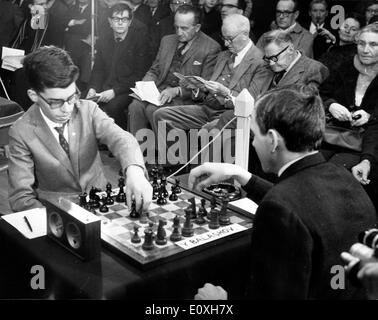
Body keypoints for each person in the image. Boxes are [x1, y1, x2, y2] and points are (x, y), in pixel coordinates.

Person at [190, 84, 377, 299]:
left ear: (273, 140)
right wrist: (243, 176)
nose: (252, 142)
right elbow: (303, 205)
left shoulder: (280, 207)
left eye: (254, 135)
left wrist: (221, 303)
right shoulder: (342, 176)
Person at [7, 46, 152, 213]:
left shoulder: (88, 110)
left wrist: (135, 170)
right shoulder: (21, 131)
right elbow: (21, 197)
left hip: (101, 203)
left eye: (71, 97)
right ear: (34, 96)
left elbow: (122, 139)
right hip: (57, 213)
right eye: (56, 102)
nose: (67, 108)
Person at [153, 14, 268, 166]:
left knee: (207, 131)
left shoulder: (260, 61)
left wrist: (225, 92)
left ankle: (193, 170)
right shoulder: (223, 56)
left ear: (245, 35)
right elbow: (207, 90)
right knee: (161, 115)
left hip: (229, 115)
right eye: (224, 38)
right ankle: (175, 166)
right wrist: (197, 86)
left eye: (230, 38)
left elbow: (251, 102)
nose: (226, 43)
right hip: (207, 108)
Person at [127, 4, 221, 136]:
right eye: (176, 27)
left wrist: (177, 91)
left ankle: (165, 153)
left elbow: (205, 86)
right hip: (159, 91)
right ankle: (138, 150)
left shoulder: (211, 48)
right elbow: (154, 70)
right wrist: (143, 88)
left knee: (152, 109)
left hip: (185, 98)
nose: (178, 32)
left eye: (184, 28)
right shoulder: (167, 41)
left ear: (197, 27)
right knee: (135, 106)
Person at [319, 23, 378, 211]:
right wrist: (332, 105)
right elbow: (320, 94)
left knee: (330, 176)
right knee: (305, 168)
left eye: (373, 45)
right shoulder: (346, 67)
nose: (366, 50)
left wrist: (371, 116)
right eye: (361, 43)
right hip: (335, 137)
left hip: (368, 145)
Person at [86, 3, 149, 130]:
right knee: (84, 102)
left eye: (124, 19)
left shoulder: (139, 40)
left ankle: (121, 140)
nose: (120, 23)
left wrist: (115, 91)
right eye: (116, 19)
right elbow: (98, 69)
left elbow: (139, 75)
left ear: (130, 22)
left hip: (127, 88)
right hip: (106, 87)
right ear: (110, 21)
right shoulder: (104, 40)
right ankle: (96, 141)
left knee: (113, 107)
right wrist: (93, 88)